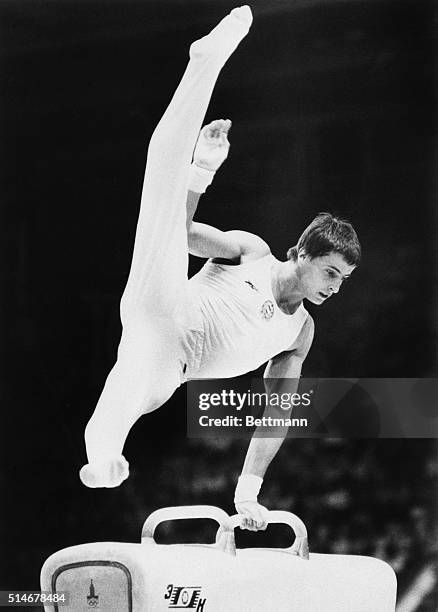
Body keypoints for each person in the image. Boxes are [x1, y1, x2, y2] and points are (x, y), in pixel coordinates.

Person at [79, 6, 361, 531]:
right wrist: (203, 170)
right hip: (163, 301)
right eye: (329, 272)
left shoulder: (299, 332)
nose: (334, 288)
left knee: (126, 393)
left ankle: (102, 459)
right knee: (161, 183)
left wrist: (248, 492)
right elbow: (179, 233)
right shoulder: (251, 251)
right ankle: (205, 62)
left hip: (170, 364)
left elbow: (275, 415)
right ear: (300, 252)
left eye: (342, 281)